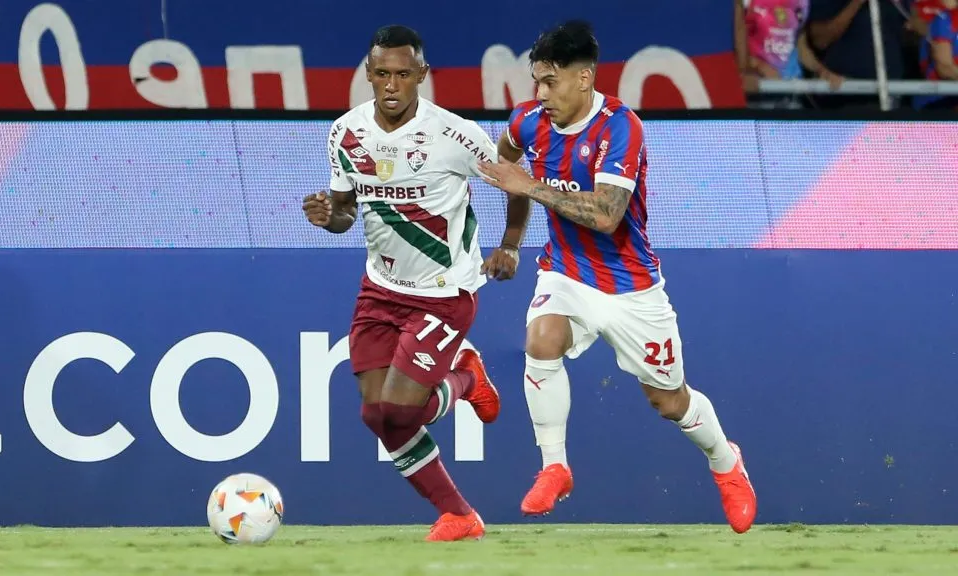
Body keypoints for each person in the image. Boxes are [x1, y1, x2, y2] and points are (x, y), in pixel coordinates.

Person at [478, 20, 758, 534]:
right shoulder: (525, 123)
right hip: (564, 272)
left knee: (668, 401)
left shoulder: (620, 126)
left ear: (584, 79)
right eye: (536, 81)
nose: (540, 93)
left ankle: (725, 462)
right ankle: (554, 467)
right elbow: (506, 165)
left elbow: (608, 214)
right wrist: (513, 241)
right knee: (540, 341)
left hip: (630, 285)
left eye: (551, 81)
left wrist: (530, 185)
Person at [302, 24, 506, 542]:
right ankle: (460, 515)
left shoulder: (456, 135)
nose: (392, 85)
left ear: (422, 75)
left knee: (399, 409)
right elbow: (347, 211)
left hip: (444, 292)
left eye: (403, 74)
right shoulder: (345, 133)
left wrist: (510, 243)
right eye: (382, 75)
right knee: (378, 416)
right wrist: (330, 218)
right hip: (380, 288)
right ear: (368, 75)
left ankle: (464, 378)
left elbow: (515, 181)